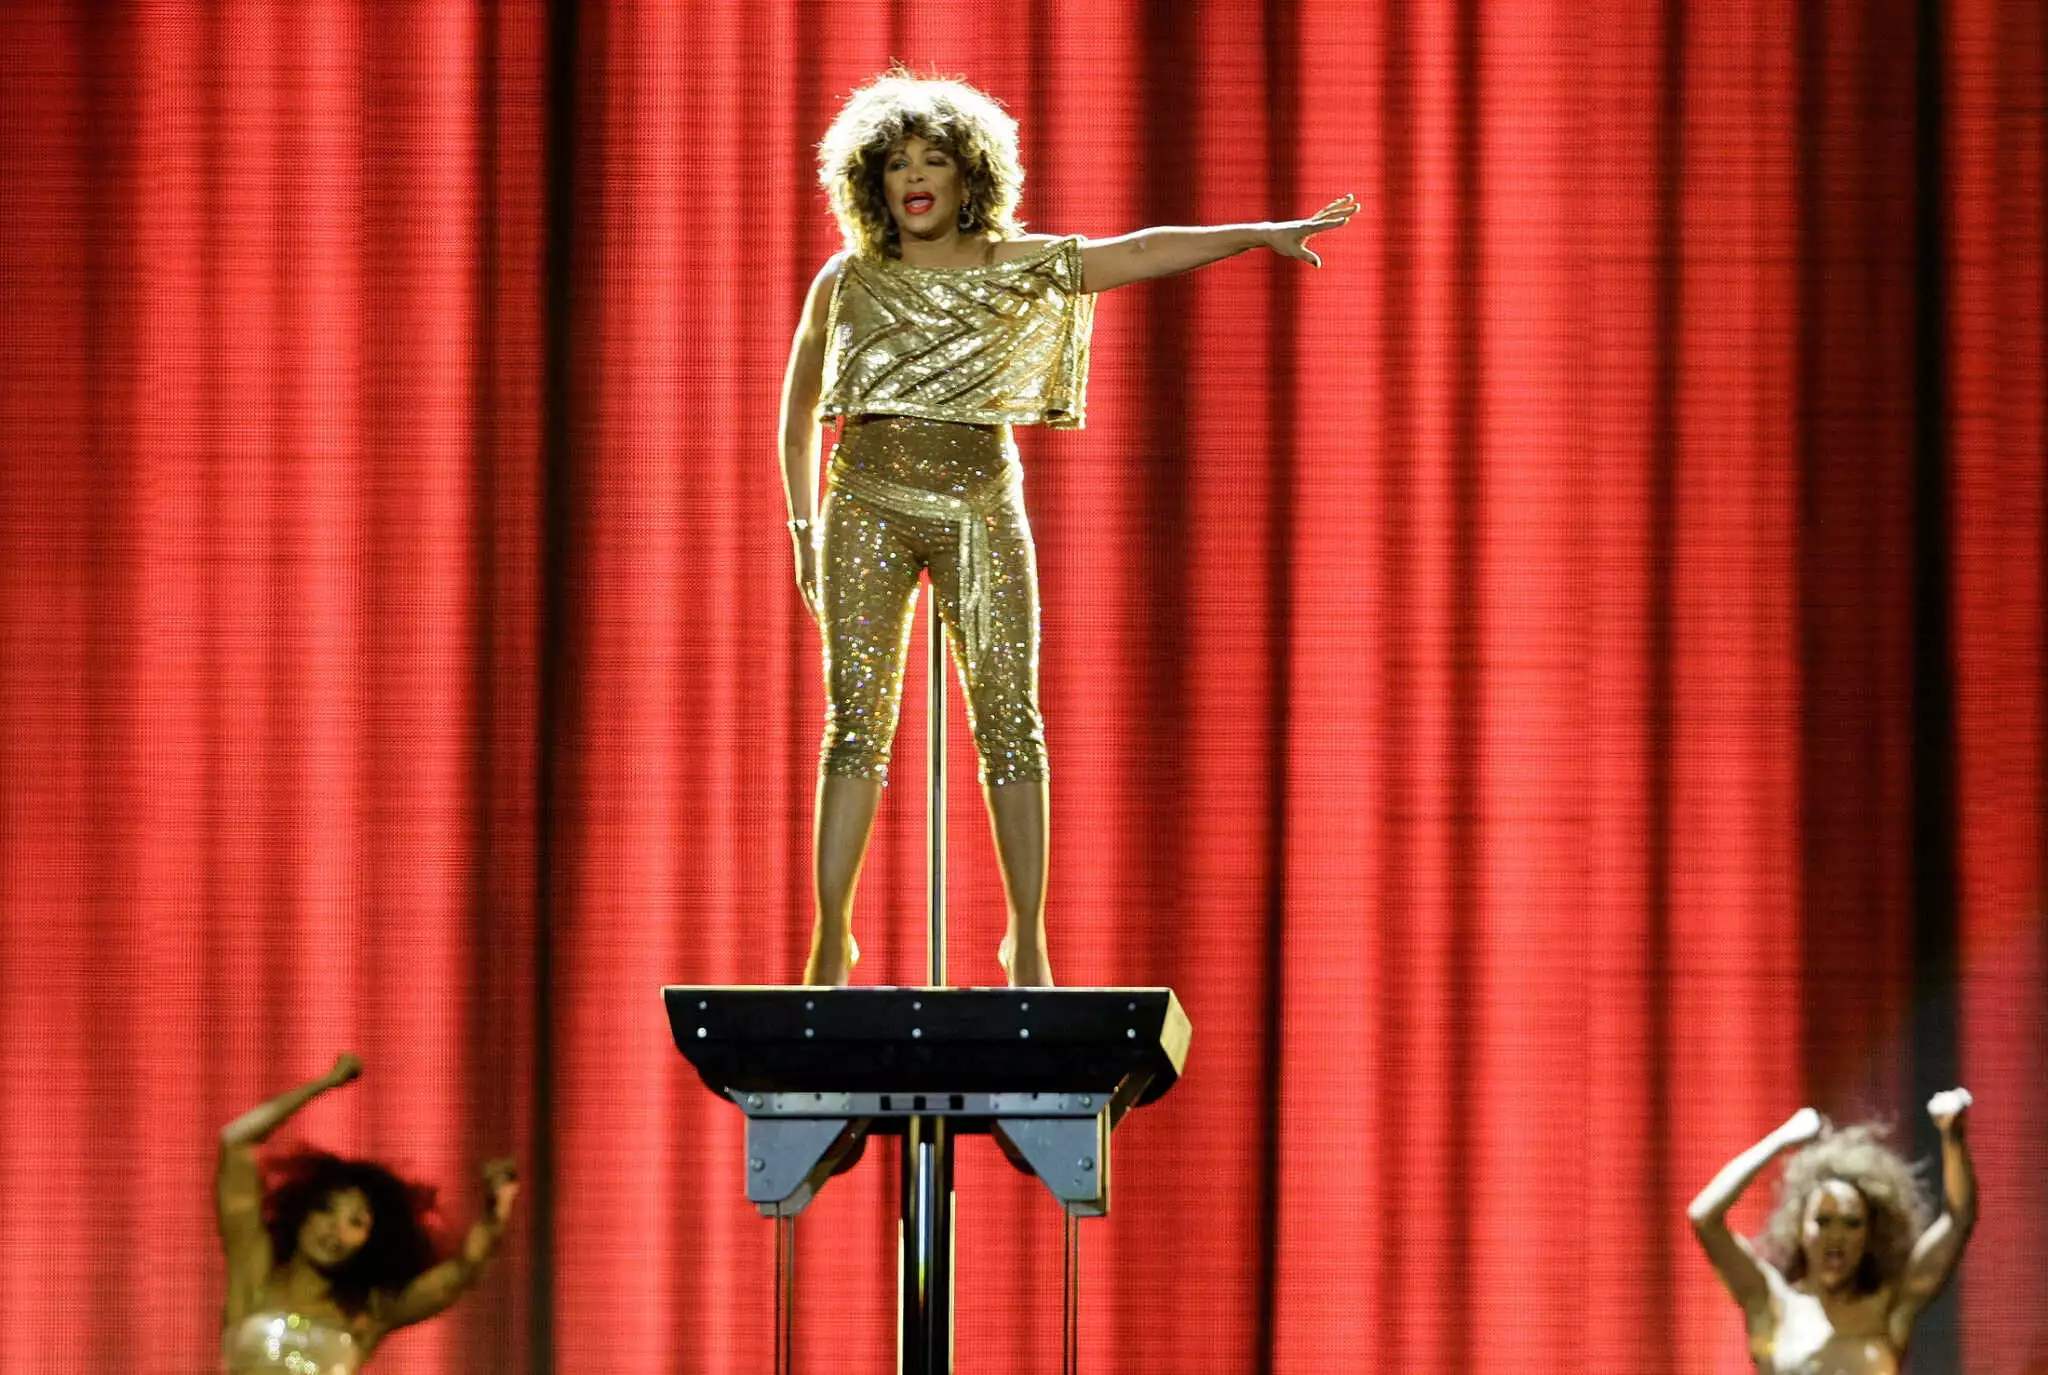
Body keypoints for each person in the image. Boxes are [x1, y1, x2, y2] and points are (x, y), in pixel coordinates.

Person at [781, 69, 1356, 986]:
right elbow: (801, 404)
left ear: (971, 175)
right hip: (865, 503)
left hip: (980, 505)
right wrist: (803, 526)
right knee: (855, 721)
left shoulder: (1015, 265)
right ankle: (830, 937)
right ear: (872, 180)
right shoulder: (847, 278)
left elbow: (1139, 251)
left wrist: (1260, 233)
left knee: (1011, 719)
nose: (916, 177)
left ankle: (1028, 939)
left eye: (935, 160)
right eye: (897, 163)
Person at [216, 1053, 519, 1373]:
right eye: (325, 1209)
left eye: (355, 1222)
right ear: (302, 1213)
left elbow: (461, 1272)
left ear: (371, 1241)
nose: (334, 1229)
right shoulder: (254, 1274)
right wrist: (324, 1083)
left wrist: (497, 1209)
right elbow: (236, 1141)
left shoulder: (369, 1313)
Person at [1686, 1089, 1977, 1373]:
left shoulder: (1890, 1306)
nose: (1836, 1237)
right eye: (1823, 1221)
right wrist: (1780, 1140)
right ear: (1799, 1227)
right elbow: (1704, 1217)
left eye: (1851, 1223)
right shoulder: (1771, 1302)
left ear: (1870, 1236)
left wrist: (1952, 1137)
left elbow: (1958, 1219)